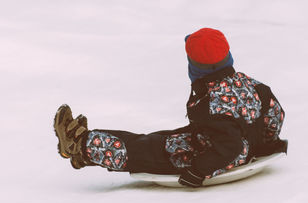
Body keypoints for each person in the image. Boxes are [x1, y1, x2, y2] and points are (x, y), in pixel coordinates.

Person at [54, 27, 287, 187]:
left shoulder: (210, 105)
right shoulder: (252, 85)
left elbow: (231, 146)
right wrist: (265, 143)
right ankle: (86, 153)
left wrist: (198, 170)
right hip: (220, 146)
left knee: (143, 152)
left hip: (206, 156)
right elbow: (275, 114)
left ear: (195, 69)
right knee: (153, 139)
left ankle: (79, 145)